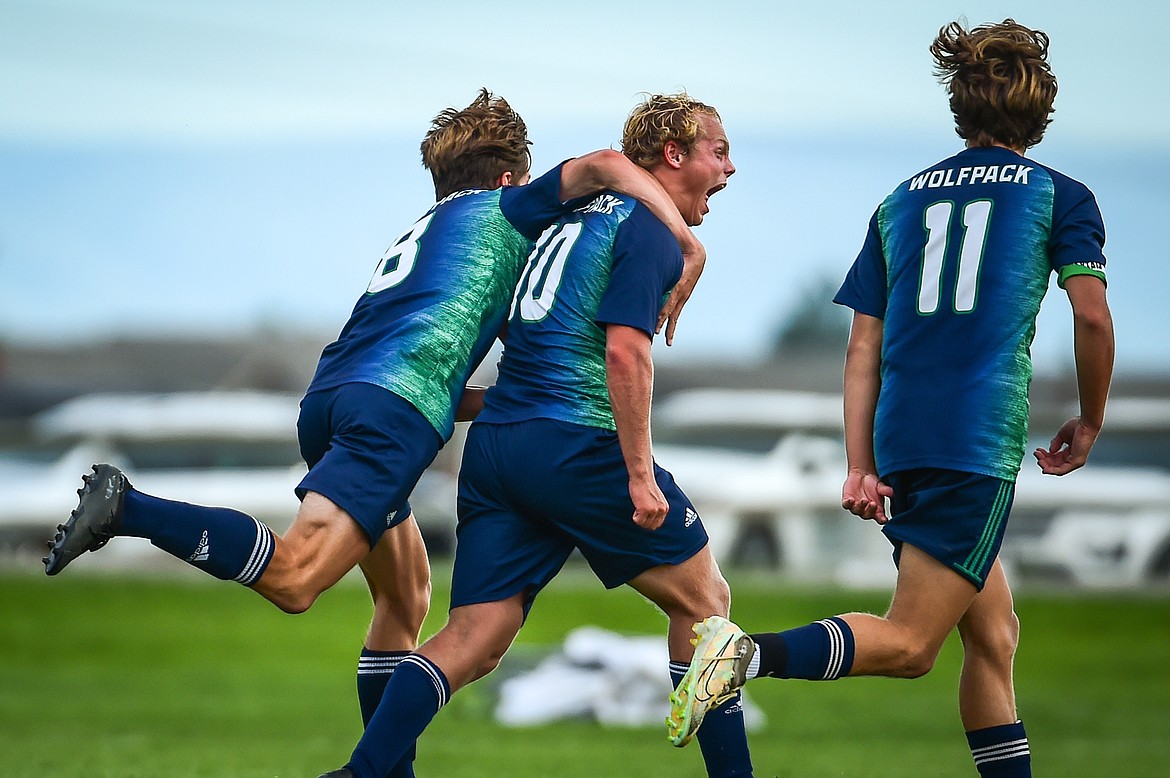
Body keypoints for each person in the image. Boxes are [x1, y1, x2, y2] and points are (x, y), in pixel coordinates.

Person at [42, 89, 706, 778]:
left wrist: (499, 399)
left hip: (332, 397)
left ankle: (390, 772)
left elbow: (446, 369)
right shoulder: (506, 210)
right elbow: (601, 163)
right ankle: (129, 507)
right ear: (511, 177)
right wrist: (683, 238)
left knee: (406, 594)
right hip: (389, 414)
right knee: (297, 579)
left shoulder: (428, 227)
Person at [669, 19, 1114, 777]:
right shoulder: (1059, 195)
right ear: (1039, 112)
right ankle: (742, 653)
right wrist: (1093, 419)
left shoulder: (899, 201)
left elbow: (862, 347)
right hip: (972, 443)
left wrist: (859, 463)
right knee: (910, 646)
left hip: (903, 435)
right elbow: (1092, 314)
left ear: (961, 108)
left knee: (995, 635)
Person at [318, 93, 747, 778]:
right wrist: (638, 474)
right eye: (718, 152)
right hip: (575, 443)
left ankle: (360, 773)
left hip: (497, 450)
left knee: (476, 636)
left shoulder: (568, 219)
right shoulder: (647, 227)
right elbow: (625, 353)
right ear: (674, 155)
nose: (730, 170)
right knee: (707, 606)